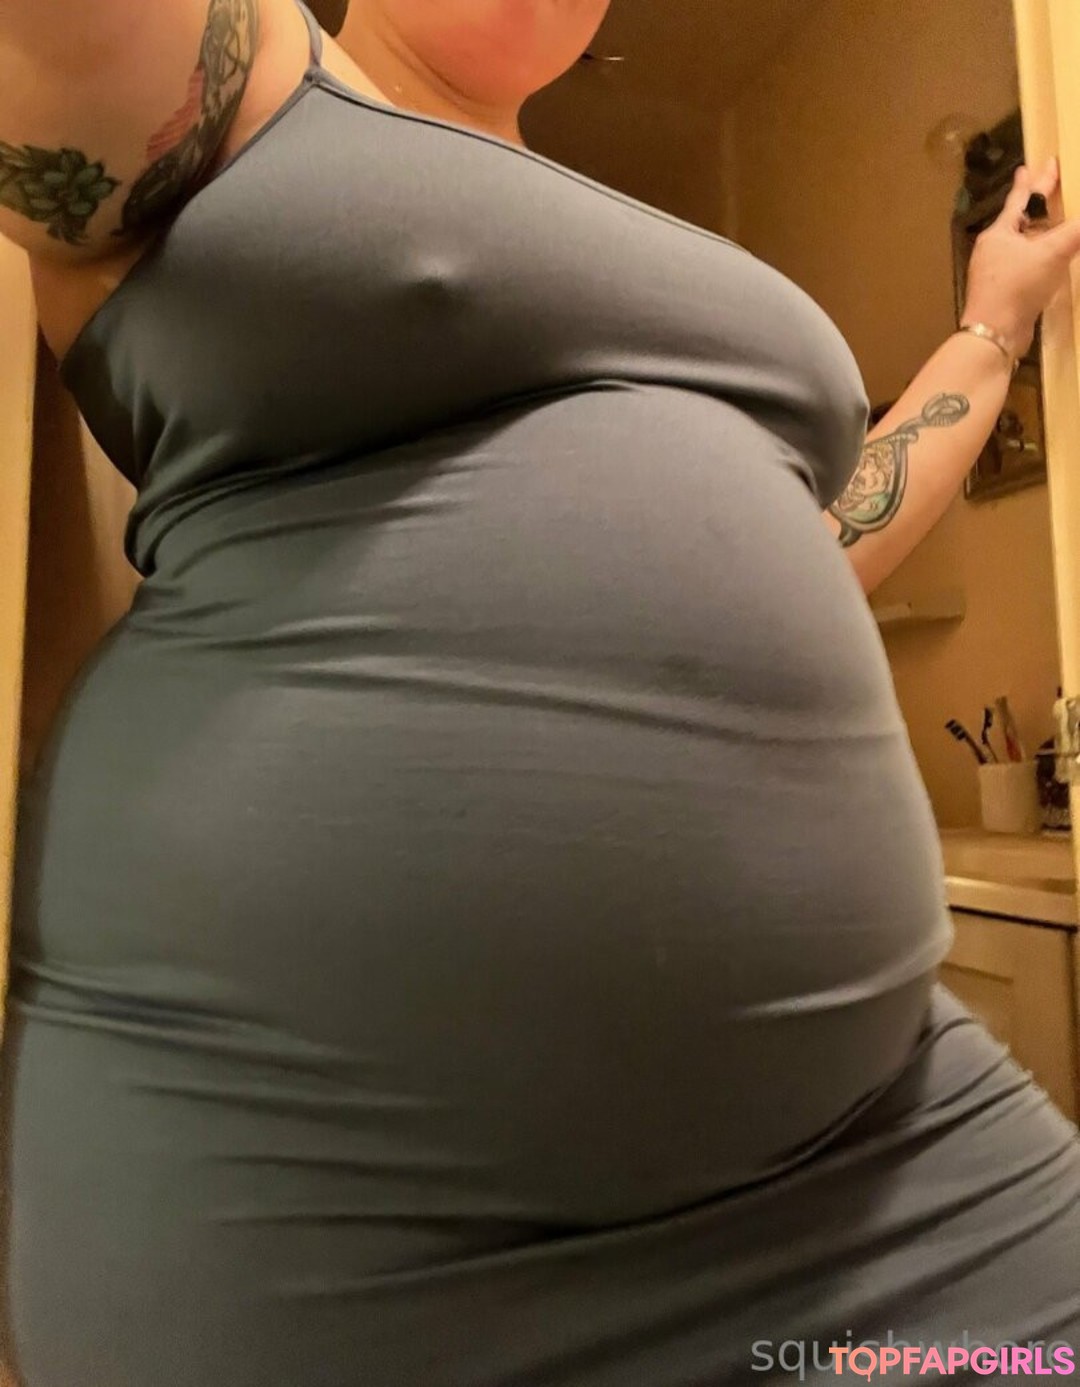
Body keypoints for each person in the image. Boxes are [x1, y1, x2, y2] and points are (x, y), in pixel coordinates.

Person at [1, 1, 1078, 1383]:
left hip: (890, 1175)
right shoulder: (239, 87)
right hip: (341, 1226)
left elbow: (824, 537)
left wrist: (991, 329)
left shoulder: (644, 262)